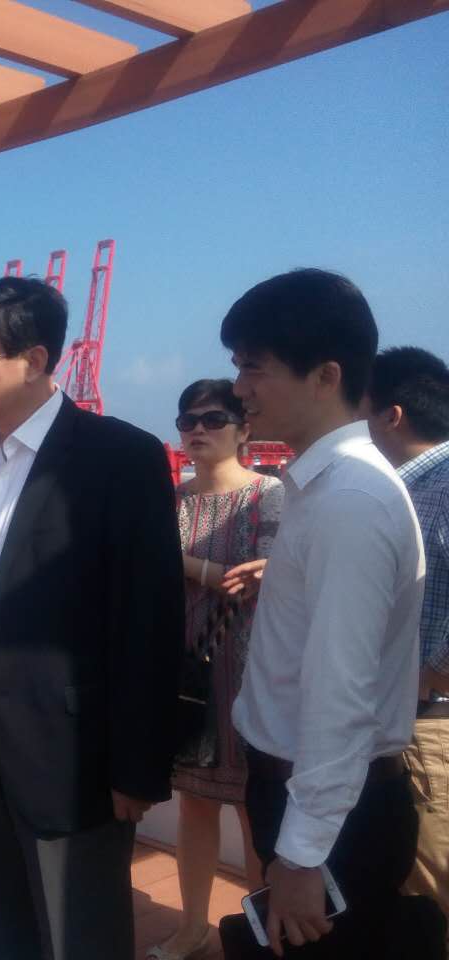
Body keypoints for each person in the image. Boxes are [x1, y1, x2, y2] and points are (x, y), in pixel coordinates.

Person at [0, 275, 184, 960]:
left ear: (34, 360)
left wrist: (139, 766)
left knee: (78, 924)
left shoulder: (119, 457)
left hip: (74, 741)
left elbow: (149, 618)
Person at [214, 269, 426, 959]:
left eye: (255, 367)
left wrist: (304, 854)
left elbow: (342, 694)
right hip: (315, 797)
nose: (239, 387)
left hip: (333, 815)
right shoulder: (325, 486)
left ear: (325, 376)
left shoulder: (349, 500)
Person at [148, 379, 284, 960]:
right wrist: (210, 572)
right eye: (188, 421)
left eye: (213, 419)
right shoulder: (171, 500)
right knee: (195, 802)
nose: (198, 429)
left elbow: (269, 578)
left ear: (244, 429)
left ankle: (261, 929)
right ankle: (193, 926)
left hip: (253, 672)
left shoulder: (268, 495)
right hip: (188, 676)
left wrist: (183, 564)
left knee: (256, 807)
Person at [366, 346, 449, 930]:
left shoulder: (436, 486)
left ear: (391, 416)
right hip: (416, 721)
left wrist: (430, 672)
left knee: (433, 891)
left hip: (431, 724)